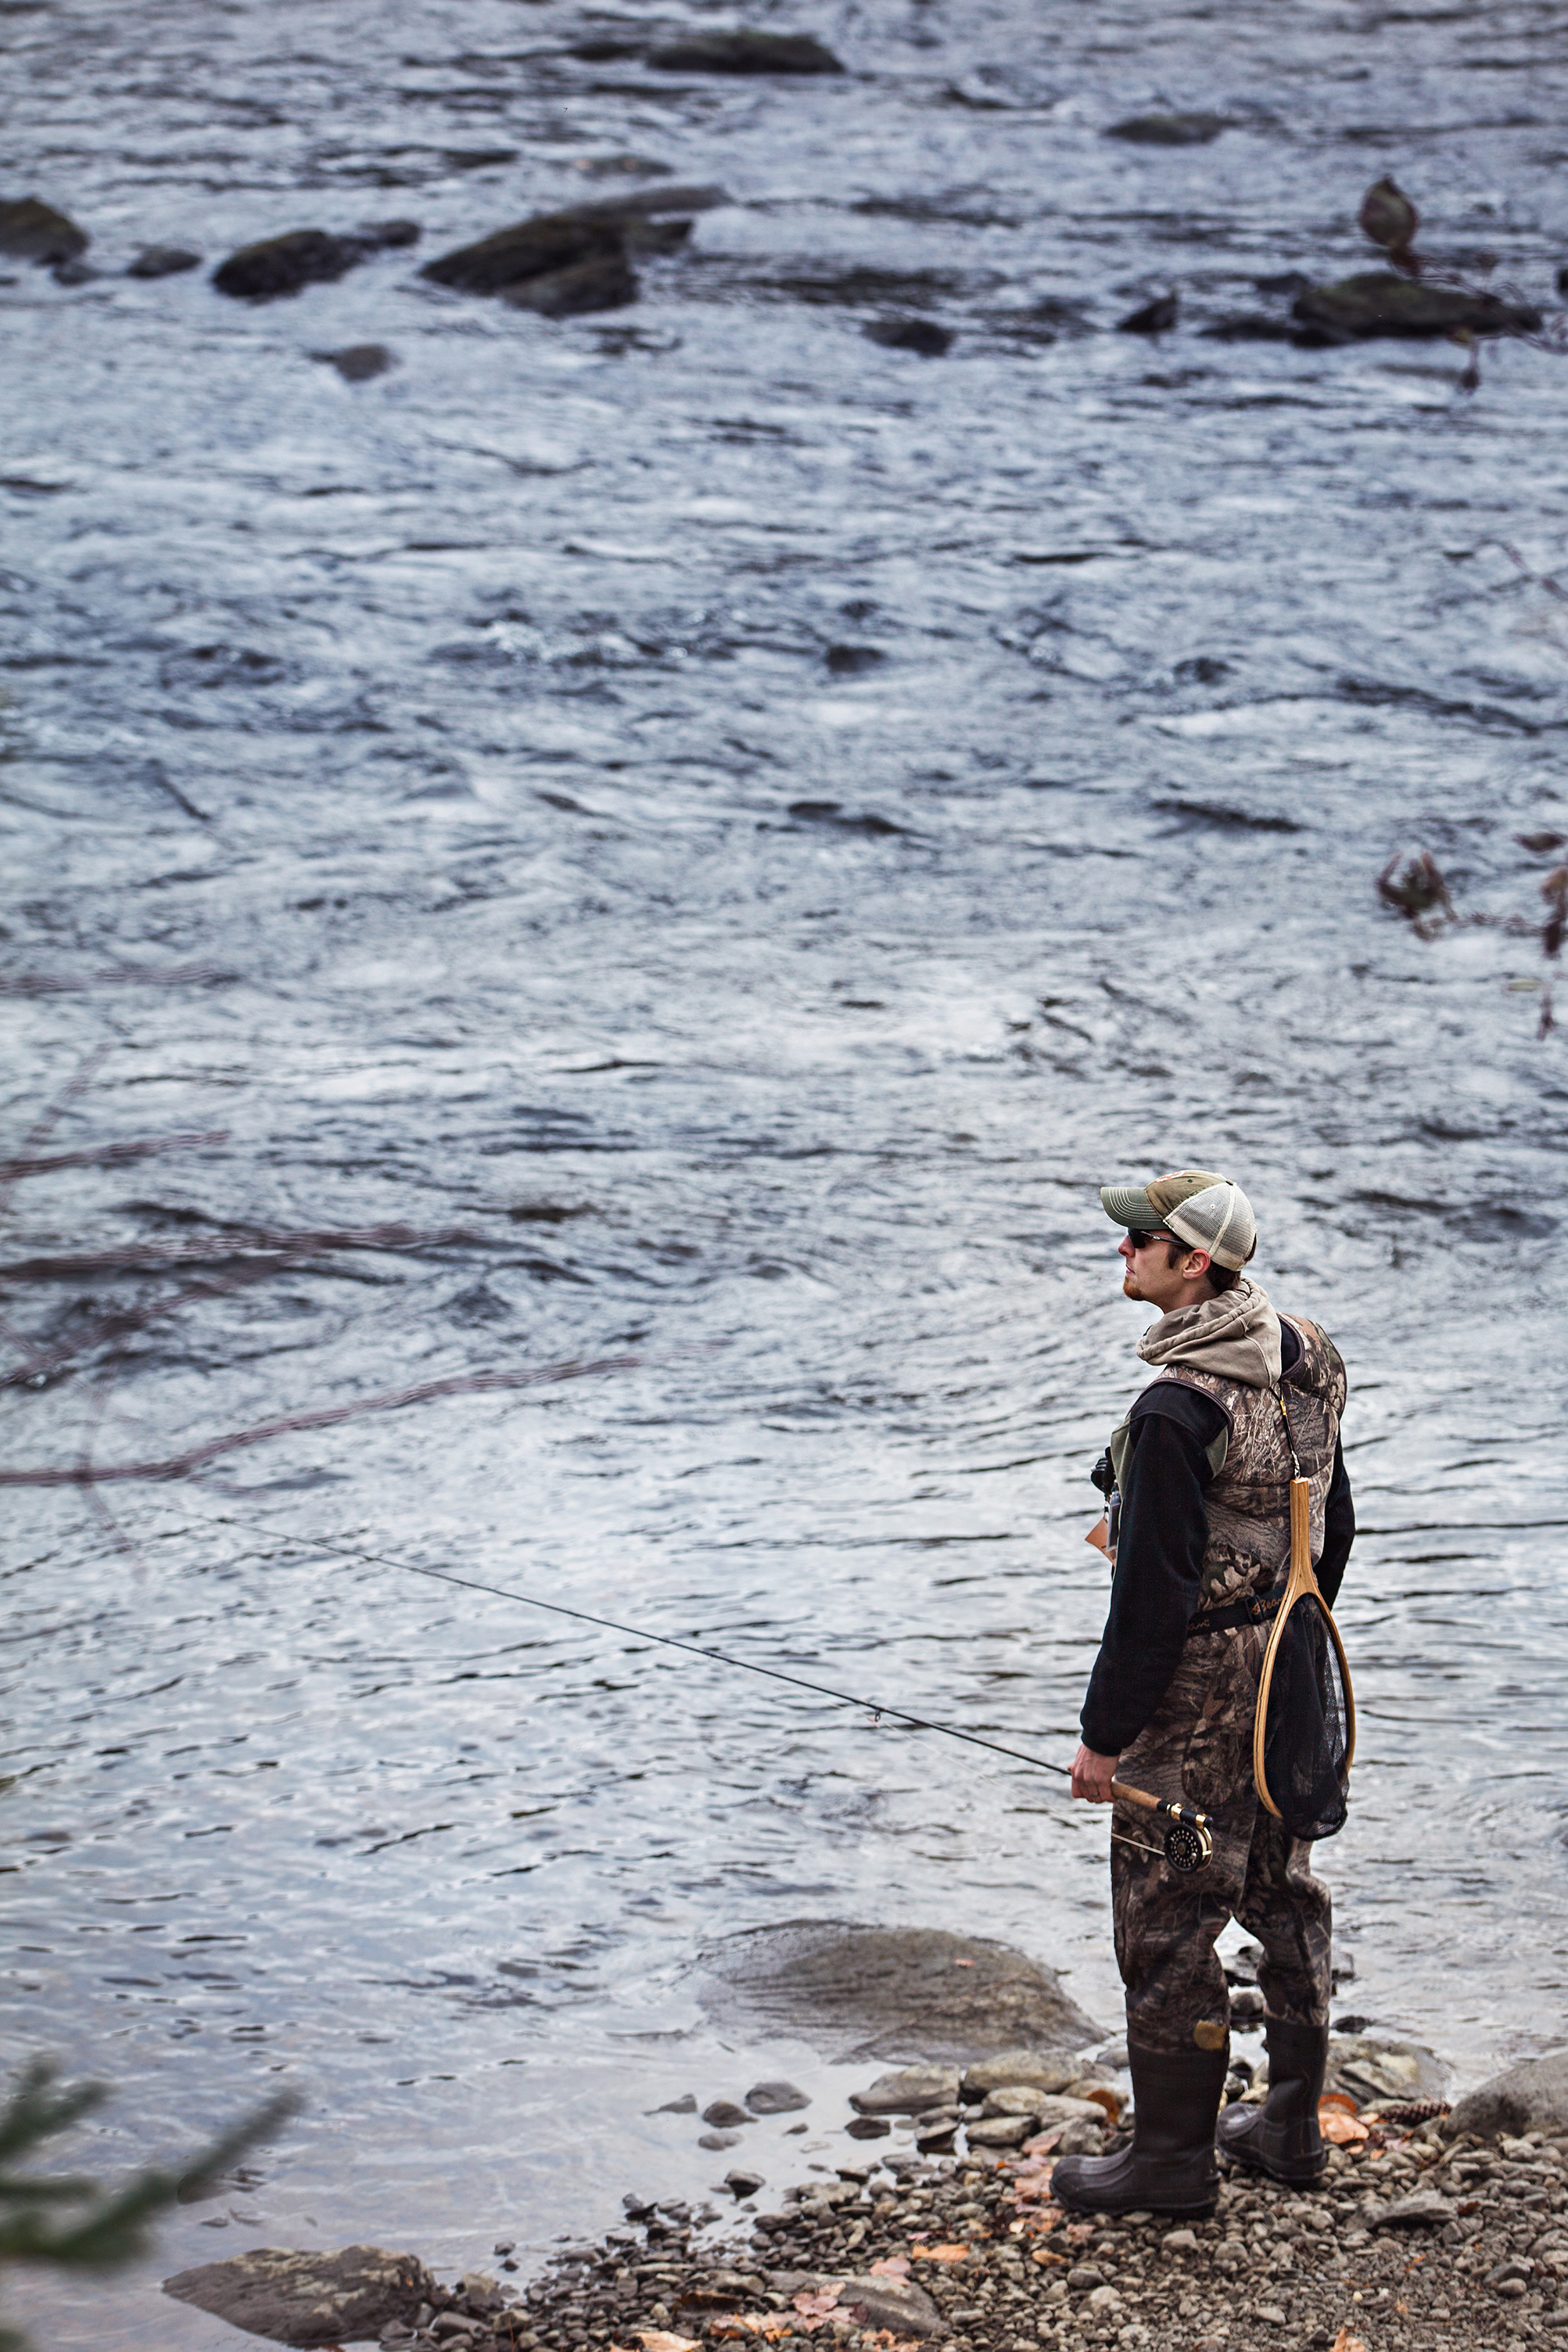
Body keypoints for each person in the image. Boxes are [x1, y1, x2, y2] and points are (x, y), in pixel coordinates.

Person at [1050, 1170, 1355, 2218]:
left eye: (1140, 1242)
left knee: (1168, 1915)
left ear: (1196, 1262)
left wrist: (1104, 1737)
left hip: (1195, 1695)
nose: (1121, 1254)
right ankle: (1288, 2130)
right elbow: (1334, 1526)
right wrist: (1288, 1636)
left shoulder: (1175, 1409)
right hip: (1292, 1663)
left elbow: (1151, 1599)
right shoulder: (1311, 1356)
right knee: (1283, 1885)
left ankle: (1171, 2166)